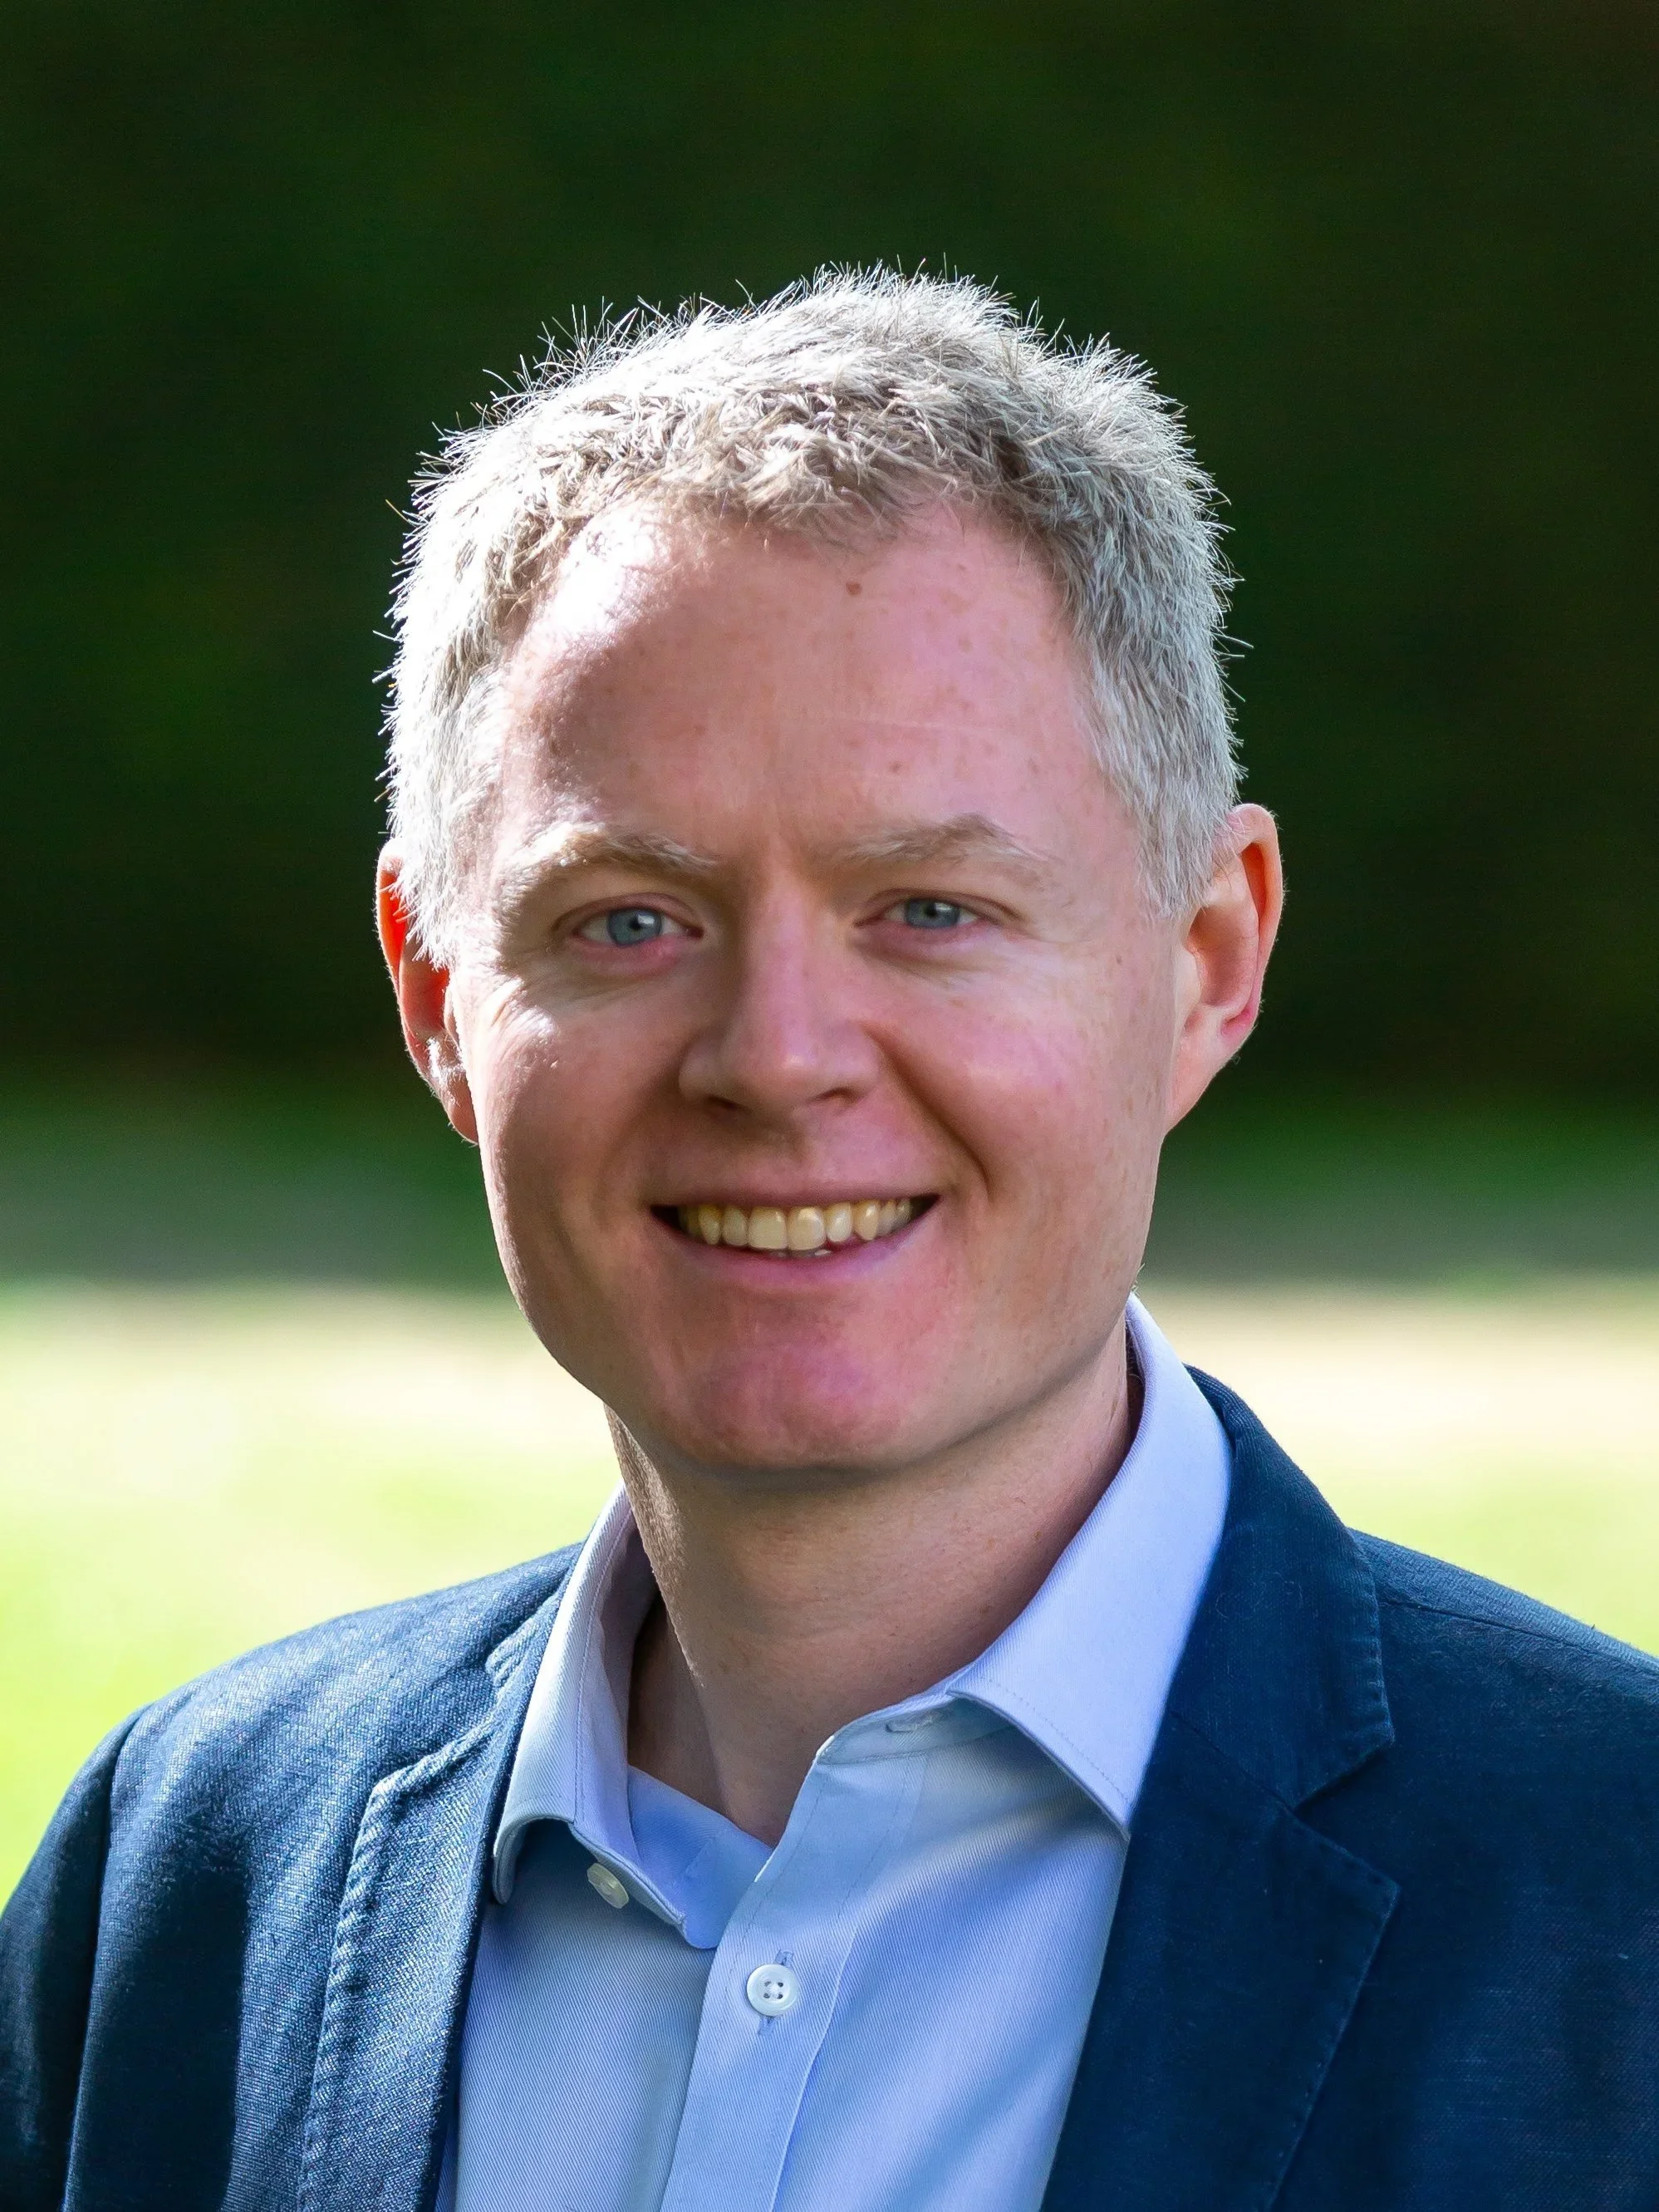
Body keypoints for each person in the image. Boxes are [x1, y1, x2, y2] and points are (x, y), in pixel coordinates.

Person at [3, 271, 1657, 2212]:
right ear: (437, 994)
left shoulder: (1609, 1908)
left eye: (928, 907)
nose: (775, 1059)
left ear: (1205, 957)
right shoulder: (188, 1883)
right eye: (627, 916)